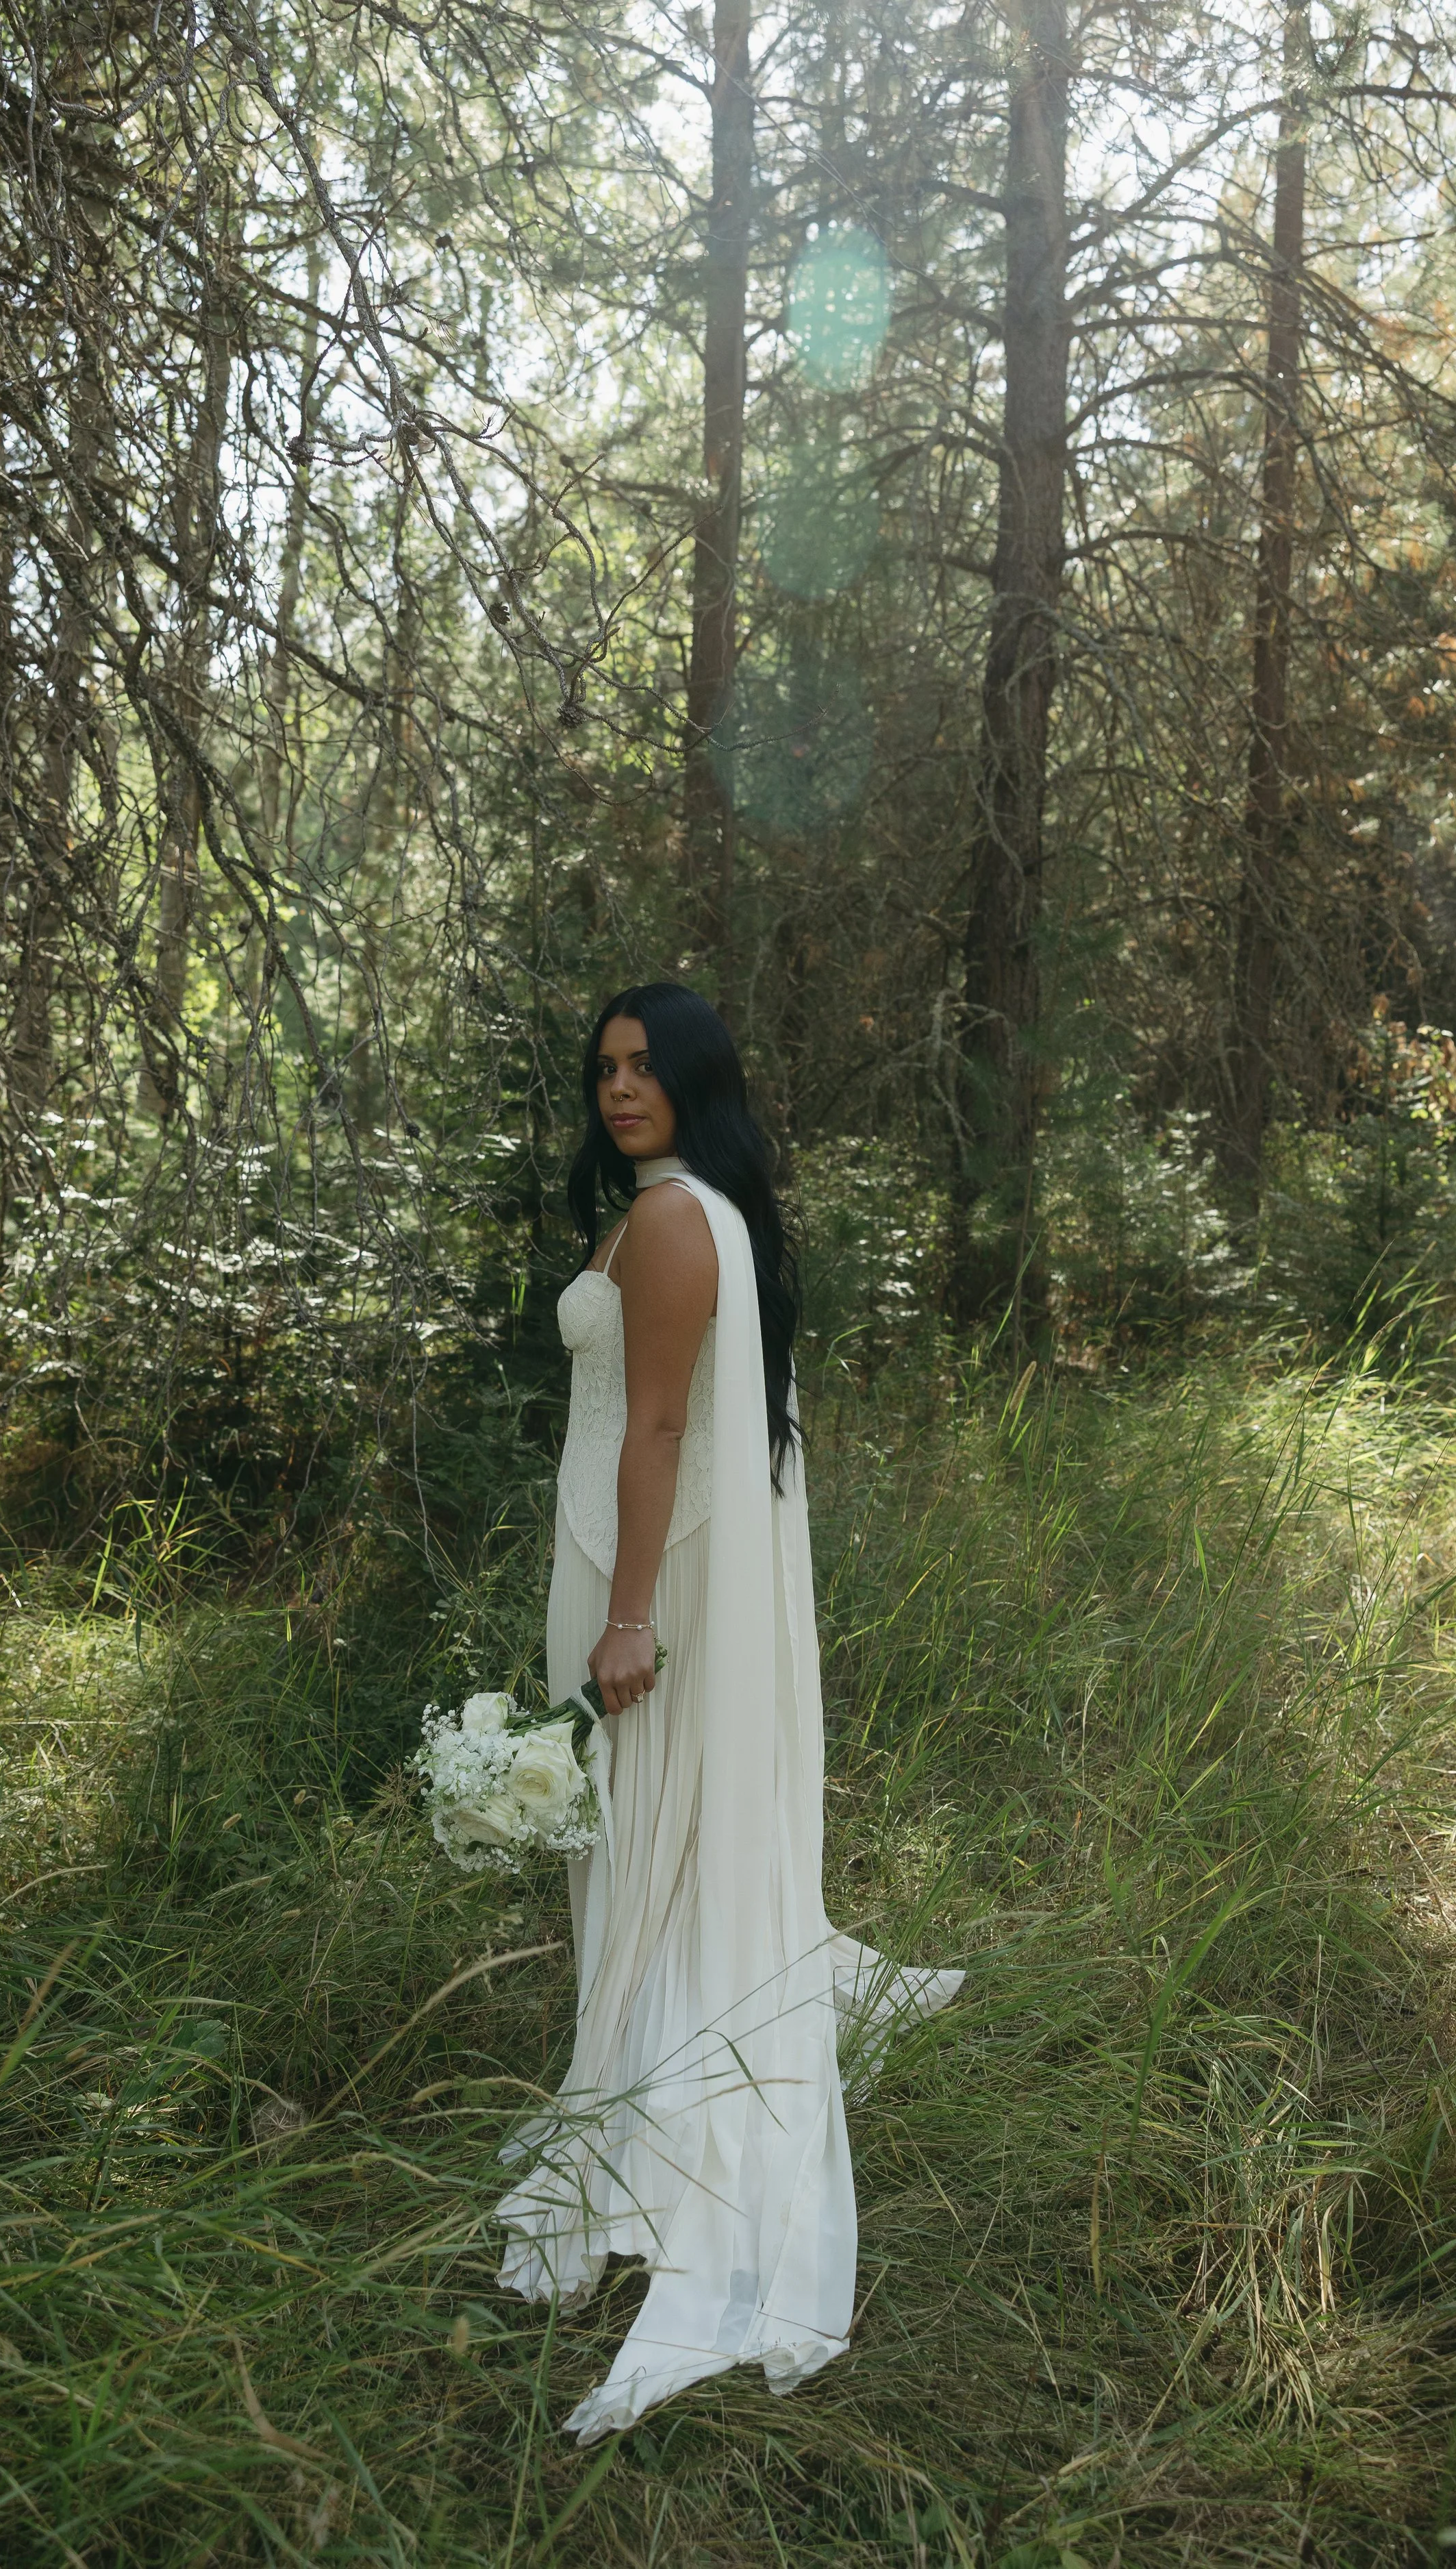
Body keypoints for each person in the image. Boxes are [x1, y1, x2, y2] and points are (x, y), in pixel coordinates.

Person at [497, 981, 962, 2441]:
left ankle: (662, 2118)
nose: (619, 1087)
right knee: (644, 1840)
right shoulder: (666, 1211)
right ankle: (636, 2068)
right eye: (604, 1070)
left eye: (645, 1067)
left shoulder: (680, 1219)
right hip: (623, 1551)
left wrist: (631, 1616)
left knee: (646, 1838)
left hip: (647, 1573)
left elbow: (652, 1427)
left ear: (697, 1079)